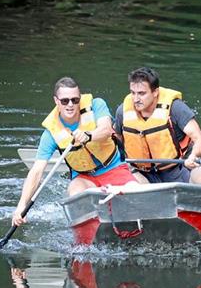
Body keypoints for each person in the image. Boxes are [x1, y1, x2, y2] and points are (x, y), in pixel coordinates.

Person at [11, 77, 138, 228]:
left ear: (80, 98)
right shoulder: (50, 134)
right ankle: (88, 229)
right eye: (65, 101)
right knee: (75, 192)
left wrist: (88, 135)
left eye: (75, 100)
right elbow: (36, 171)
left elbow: (105, 129)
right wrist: (21, 206)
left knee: (134, 192)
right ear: (56, 101)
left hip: (113, 167)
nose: (70, 105)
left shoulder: (97, 104)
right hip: (83, 176)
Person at [113, 67, 201, 185]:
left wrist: (193, 156)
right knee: (131, 184)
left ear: (155, 92)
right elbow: (116, 138)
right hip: (142, 172)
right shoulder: (123, 112)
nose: (135, 99)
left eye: (141, 93)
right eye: (132, 93)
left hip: (178, 169)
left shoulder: (176, 108)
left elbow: (200, 138)